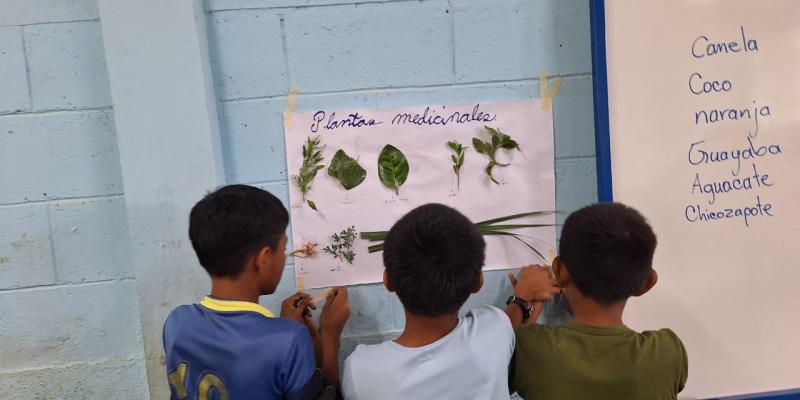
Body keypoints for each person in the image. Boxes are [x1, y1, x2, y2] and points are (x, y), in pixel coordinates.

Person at [342, 203, 558, 399]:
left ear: (388, 281)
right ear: (478, 283)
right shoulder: (493, 329)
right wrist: (524, 297)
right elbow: (515, 312)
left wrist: (330, 335)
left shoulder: (361, 371)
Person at [163, 184, 350, 399]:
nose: (285, 256)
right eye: (283, 248)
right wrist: (330, 336)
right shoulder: (289, 340)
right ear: (263, 258)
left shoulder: (177, 323)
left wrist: (280, 329)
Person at [512, 203, 688, 400]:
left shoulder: (530, 349)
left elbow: (496, 360)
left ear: (560, 271)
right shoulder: (667, 353)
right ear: (646, 283)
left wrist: (521, 303)